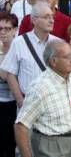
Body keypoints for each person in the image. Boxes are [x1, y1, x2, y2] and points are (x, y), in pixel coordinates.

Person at [14, 40, 71, 157]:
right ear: (53, 61)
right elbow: (20, 126)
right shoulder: (40, 87)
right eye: (67, 56)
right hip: (50, 146)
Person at [1, 2, 59, 106]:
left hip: (53, 103)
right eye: (46, 17)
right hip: (28, 103)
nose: (52, 20)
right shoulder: (19, 42)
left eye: (52, 17)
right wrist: (20, 100)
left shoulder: (59, 43)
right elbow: (10, 74)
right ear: (34, 20)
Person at [0, 12, 18, 157]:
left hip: (14, 103)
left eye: (7, 28)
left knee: (10, 144)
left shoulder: (19, 50)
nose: (3, 32)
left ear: (15, 30)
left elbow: (6, 76)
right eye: (0, 29)